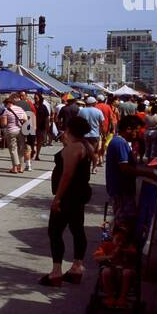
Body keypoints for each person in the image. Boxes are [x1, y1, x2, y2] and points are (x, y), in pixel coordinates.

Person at [42, 115, 94, 287]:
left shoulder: (74, 148)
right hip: (79, 193)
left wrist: (57, 198)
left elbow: (67, 174)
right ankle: (76, 267)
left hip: (68, 195)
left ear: (70, 128)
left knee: (55, 231)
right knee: (77, 228)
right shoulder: (86, 145)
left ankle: (56, 271)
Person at [105, 115, 152, 225]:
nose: (137, 134)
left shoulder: (122, 142)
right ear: (128, 129)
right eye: (136, 131)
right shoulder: (119, 143)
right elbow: (125, 168)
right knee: (123, 223)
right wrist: (149, 174)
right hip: (121, 190)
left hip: (124, 189)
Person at [0, 96, 28, 174]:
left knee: (13, 149)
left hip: (11, 131)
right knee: (21, 149)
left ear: (7, 104)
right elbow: (25, 119)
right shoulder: (20, 109)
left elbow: (4, 123)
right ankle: (21, 167)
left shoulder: (6, 111)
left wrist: (3, 123)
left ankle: (15, 168)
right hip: (20, 131)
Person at [77, 96, 105, 171]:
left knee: (84, 151)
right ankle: (94, 167)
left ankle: (84, 167)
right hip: (94, 135)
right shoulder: (98, 111)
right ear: (94, 103)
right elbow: (102, 125)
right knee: (94, 152)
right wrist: (104, 135)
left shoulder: (82, 111)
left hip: (83, 135)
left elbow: (78, 122)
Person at [33, 92, 50, 162]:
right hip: (33, 126)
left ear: (40, 98)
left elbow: (47, 117)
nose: (35, 99)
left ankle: (37, 155)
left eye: (36, 98)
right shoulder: (32, 106)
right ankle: (32, 152)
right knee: (32, 141)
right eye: (34, 98)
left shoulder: (43, 107)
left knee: (39, 141)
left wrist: (47, 126)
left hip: (41, 126)